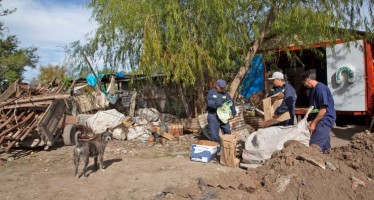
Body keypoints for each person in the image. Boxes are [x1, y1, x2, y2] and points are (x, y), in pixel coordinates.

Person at [301, 70, 336, 153]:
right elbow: (315, 108)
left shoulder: (320, 89)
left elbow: (323, 110)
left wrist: (314, 123)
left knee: (314, 146)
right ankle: (327, 159)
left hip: (324, 120)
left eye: (304, 82)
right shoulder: (313, 90)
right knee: (325, 147)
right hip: (319, 120)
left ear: (308, 79)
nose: (304, 85)